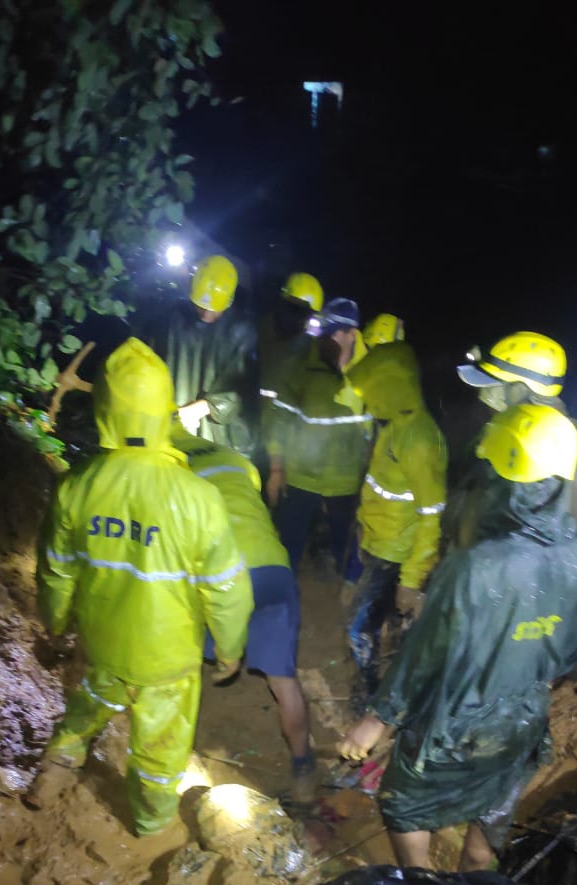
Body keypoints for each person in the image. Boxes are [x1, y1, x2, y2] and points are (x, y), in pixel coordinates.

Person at [338, 404, 577, 871]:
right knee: (486, 829)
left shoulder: (474, 567)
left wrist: (378, 720)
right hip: (522, 726)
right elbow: (574, 655)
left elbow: (424, 656)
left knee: (404, 807)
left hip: (455, 726)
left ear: (507, 478)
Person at [36, 338, 254, 836]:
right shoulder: (198, 496)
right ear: (163, 410)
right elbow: (227, 588)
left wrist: (54, 621)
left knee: (89, 701)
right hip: (168, 660)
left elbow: (56, 571)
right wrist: (230, 648)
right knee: (159, 750)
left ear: (105, 411)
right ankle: (150, 825)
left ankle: (56, 765)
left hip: (104, 642)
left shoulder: (77, 486)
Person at [173, 426, 317, 802]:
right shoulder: (232, 457)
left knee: (181, 658)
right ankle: (303, 766)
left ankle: (174, 754)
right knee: (284, 680)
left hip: (220, 570)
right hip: (272, 562)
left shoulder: (163, 462)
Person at [345, 340, 447, 698]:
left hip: (397, 554)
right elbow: (380, 487)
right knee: (377, 627)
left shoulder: (419, 440)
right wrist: (363, 530)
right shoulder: (394, 424)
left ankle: (370, 701)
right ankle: (375, 690)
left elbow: (432, 515)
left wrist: (411, 579)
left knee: (360, 631)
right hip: (380, 544)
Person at [264, 297, 372, 578]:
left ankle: (344, 605)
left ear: (352, 334)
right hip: (301, 478)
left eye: (336, 333)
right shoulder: (302, 366)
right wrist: (276, 469)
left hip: (346, 485)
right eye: (326, 333)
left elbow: (376, 437)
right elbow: (279, 420)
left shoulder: (370, 375)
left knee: (346, 554)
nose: (328, 340)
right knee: (286, 552)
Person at [455, 331, 577, 535]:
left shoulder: (562, 445)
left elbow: (560, 534)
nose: (484, 396)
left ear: (519, 390)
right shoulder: (509, 430)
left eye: (492, 387)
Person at [140, 254, 258, 457]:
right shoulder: (170, 319)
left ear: (229, 301)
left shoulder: (241, 331)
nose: (205, 315)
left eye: (213, 310)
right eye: (200, 307)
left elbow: (242, 387)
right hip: (171, 423)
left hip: (216, 434)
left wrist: (200, 409)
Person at [258, 272, 324, 403]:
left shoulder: (312, 349)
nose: (298, 319)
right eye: (294, 309)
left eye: (306, 313)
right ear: (282, 304)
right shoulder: (258, 332)